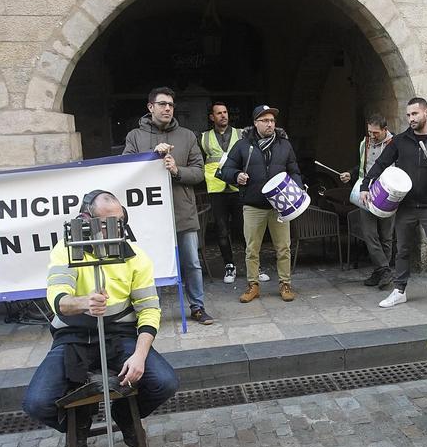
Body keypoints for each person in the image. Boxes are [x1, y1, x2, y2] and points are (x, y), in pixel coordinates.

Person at [21, 190, 178, 447]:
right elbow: (57, 297)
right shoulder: (67, 250)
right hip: (74, 338)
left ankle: (125, 416)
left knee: (165, 383)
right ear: (86, 220)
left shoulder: (136, 255)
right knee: (37, 403)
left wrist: (139, 354)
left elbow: (149, 308)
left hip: (120, 335)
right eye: (105, 224)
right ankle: (78, 422)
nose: (114, 229)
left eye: (118, 222)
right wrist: (84, 302)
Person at [360, 97, 427, 308]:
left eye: (415, 114)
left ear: (426, 112)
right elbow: (381, 163)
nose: (411, 118)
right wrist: (365, 186)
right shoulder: (400, 140)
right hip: (406, 206)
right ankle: (399, 290)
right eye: (408, 115)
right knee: (403, 249)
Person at [123, 87, 213, 325]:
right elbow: (125, 170)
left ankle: (197, 306)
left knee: (191, 263)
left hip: (182, 211)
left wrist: (176, 170)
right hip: (149, 215)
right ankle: (152, 310)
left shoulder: (187, 136)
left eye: (171, 105)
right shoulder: (134, 136)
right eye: (162, 104)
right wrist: (152, 160)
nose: (167, 109)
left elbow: (198, 173)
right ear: (150, 107)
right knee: (148, 265)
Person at [218, 105, 300, 303]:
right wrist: (237, 176)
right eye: (265, 121)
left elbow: (294, 170)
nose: (270, 124)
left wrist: (297, 191)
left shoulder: (284, 145)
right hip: (253, 205)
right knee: (252, 248)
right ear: (255, 123)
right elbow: (225, 169)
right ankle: (253, 285)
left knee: (283, 248)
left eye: (272, 120)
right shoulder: (243, 145)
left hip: (279, 205)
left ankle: (285, 283)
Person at [339, 114, 395, 289]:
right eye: (370, 131)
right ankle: (384, 270)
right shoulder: (365, 143)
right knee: (369, 234)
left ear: (385, 130)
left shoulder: (395, 144)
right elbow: (364, 166)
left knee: (386, 236)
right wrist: (351, 173)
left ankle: (380, 273)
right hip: (367, 192)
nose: (372, 135)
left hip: (388, 193)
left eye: (376, 132)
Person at [198, 102, 244, 285]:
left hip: (237, 186)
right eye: (219, 113)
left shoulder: (241, 134)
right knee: (222, 230)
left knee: (244, 228)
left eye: (225, 112)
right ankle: (229, 265)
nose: (223, 115)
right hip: (216, 188)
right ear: (212, 117)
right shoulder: (203, 137)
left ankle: (253, 265)